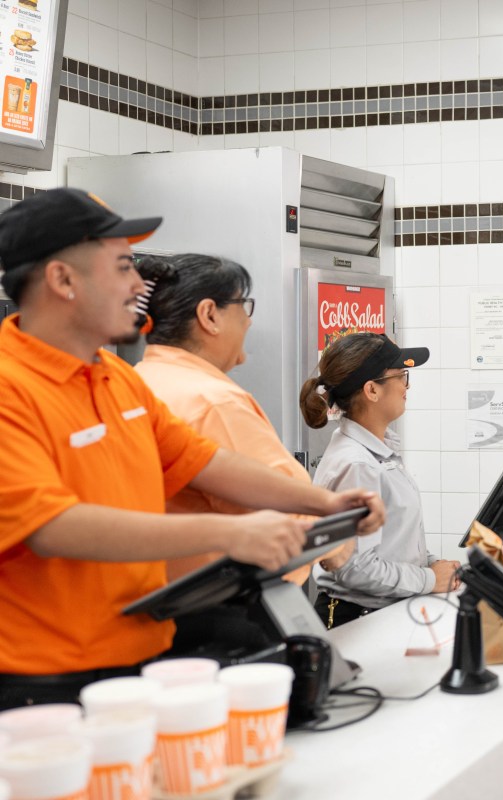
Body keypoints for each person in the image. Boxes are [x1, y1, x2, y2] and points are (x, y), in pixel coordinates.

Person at [0, 188, 384, 709]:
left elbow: (203, 461)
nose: (138, 285)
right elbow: (52, 527)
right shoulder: (10, 386)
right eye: (121, 267)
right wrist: (234, 532)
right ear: (63, 279)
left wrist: (321, 503)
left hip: (144, 655)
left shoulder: (116, 376)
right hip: (47, 681)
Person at [133, 254, 316, 583]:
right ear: (209, 315)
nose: (248, 321)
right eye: (243, 305)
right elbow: (281, 509)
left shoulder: (135, 381)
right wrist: (333, 541)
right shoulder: (213, 402)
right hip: (220, 602)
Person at [300, 332, 459, 628]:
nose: (406, 387)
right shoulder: (357, 464)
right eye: (402, 376)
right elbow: (354, 567)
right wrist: (428, 579)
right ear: (372, 390)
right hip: (356, 620)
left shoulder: (378, 452)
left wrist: (432, 564)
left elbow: (394, 542)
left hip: (382, 613)